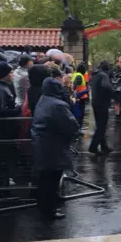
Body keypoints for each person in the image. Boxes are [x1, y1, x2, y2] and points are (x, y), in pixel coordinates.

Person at [31, 77, 80, 219]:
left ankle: (43, 206)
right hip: (54, 145)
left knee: (44, 178)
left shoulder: (43, 99)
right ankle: (49, 210)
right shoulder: (58, 105)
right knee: (52, 179)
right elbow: (71, 125)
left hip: (42, 143)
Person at [0, 62, 22, 197]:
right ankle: (1, 190)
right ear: (5, 74)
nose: (12, 75)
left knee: (3, 161)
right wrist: (16, 110)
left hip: (4, 131)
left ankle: (4, 188)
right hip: (0, 132)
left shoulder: (2, 87)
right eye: (10, 73)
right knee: (0, 161)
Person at [89, 61, 114, 155]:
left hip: (95, 102)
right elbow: (106, 86)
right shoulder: (104, 76)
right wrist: (114, 94)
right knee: (101, 127)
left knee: (100, 125)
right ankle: (93, 147)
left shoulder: (95, 75)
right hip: (102, 103)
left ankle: (104, 146)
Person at [72, 63, 89, 128]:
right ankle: (78, 128)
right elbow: (75, 86)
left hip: (78, 97)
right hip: (80, 97)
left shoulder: (75, 74)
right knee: (80, 114)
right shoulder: (79, 76)